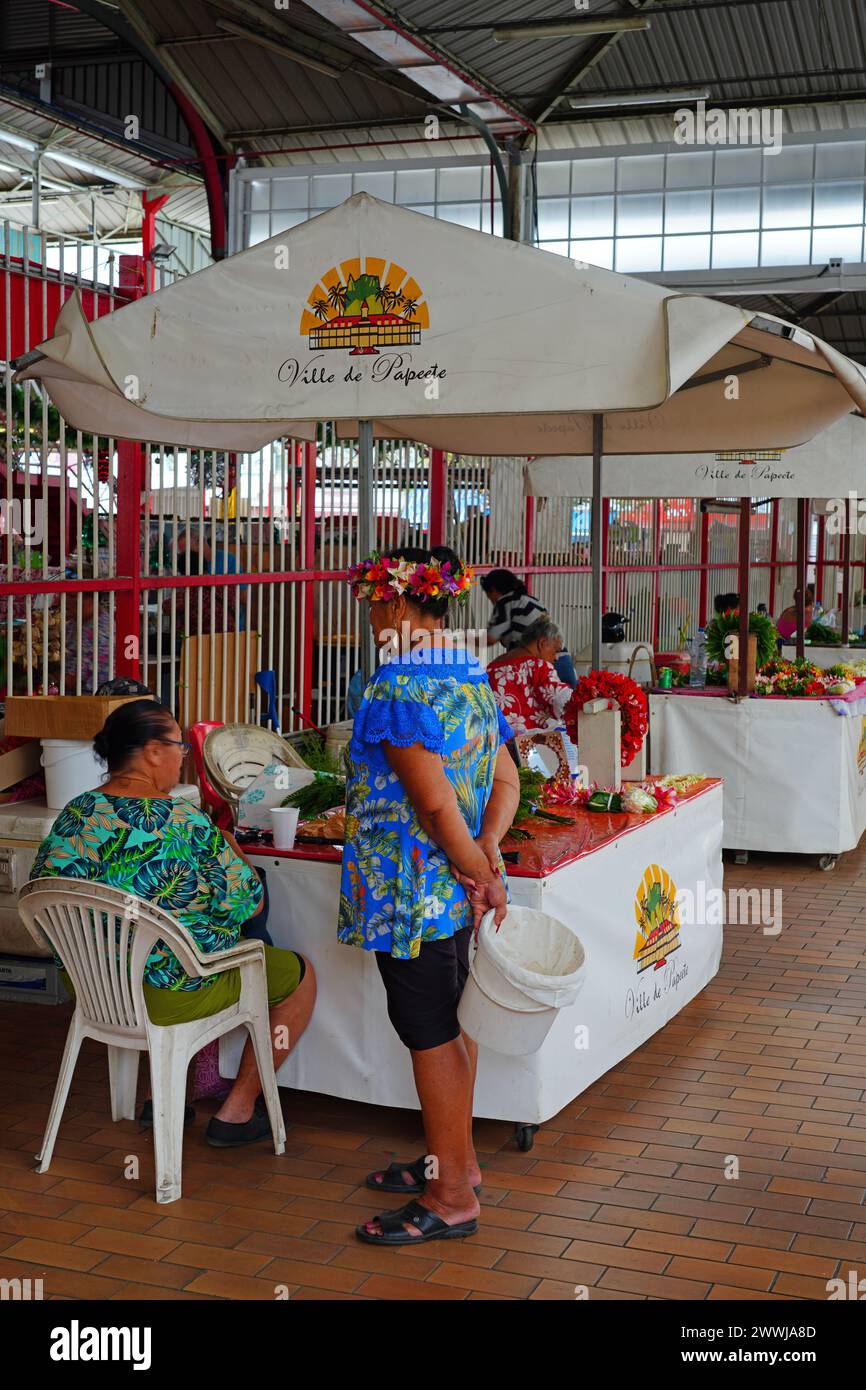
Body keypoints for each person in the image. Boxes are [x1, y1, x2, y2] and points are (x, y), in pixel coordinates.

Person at [31, 699, 315, 1148]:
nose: (183, 755)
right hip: (169, 1001)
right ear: (150, 751)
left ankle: (158, 1097)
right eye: (179, 745)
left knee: (164, 949)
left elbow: (43, 899)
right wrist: (232, 848)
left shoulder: (75, 814)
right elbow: (249, 904)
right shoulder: (187, 822)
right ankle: (238, 1111)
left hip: (94, 992)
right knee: (298, 975)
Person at [342, 545, 519, 1246]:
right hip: (449, 887)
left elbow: (437, 806)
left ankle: (449, 1199)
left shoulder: (397, 686)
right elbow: (503, 782)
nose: (371, 617)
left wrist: (477, 868)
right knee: (448, 1020)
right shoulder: (470, 672)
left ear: (393, 603)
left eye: (372, 604)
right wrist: (487, 858)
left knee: (430, 1033)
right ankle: (460, 1163)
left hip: (408, 893)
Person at [481, 567, 576, 685]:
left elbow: (490, 638)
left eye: (489, 595)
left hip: (538, 664)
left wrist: (461, 640)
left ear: (494, 590)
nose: (491, 600)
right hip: (563, 658)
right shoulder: (533, 600)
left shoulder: (505, 602)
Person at [486, 617, 574, 735]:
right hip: (527, 745)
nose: (556, 657)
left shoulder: (491, 667)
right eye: (555, 650)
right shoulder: (538, 666)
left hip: (497, 742)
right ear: (542, 643)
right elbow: (563, 700)